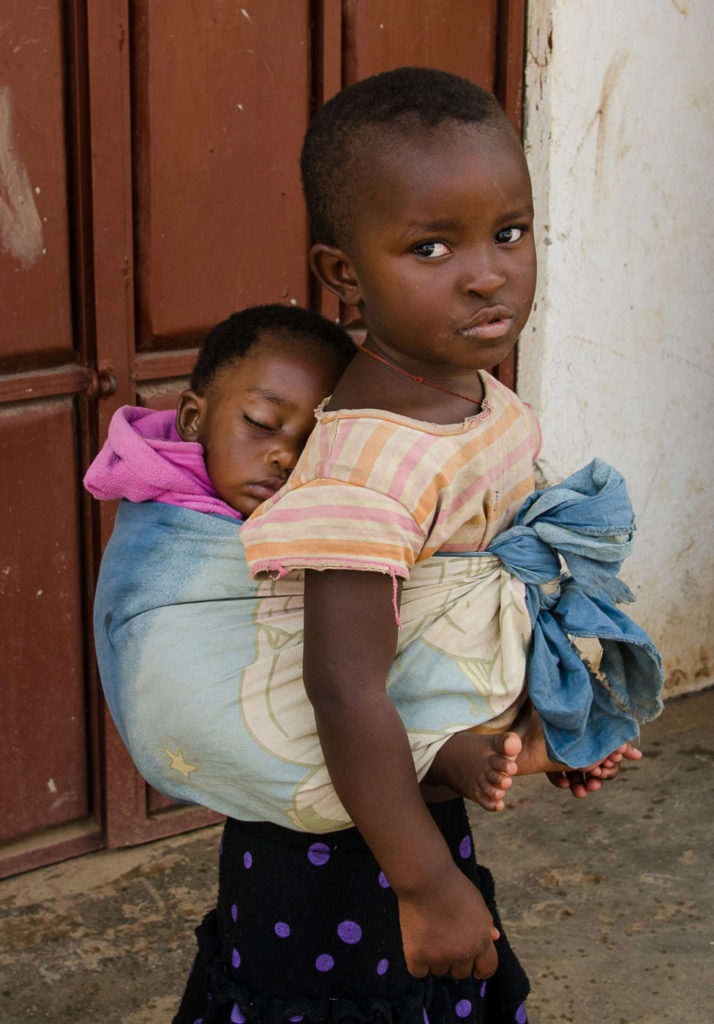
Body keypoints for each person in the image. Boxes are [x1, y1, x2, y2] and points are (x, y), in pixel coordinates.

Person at [230, 67, 661, 1023]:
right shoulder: (370, 464)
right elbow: (343, 688)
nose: (486, 271)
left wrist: (540, 725)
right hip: (335, 850)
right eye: (430, 245)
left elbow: (471, 603)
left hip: (403, 811)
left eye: (509, 231)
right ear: (343, 273)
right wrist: (425, 886)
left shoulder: (464, 390)